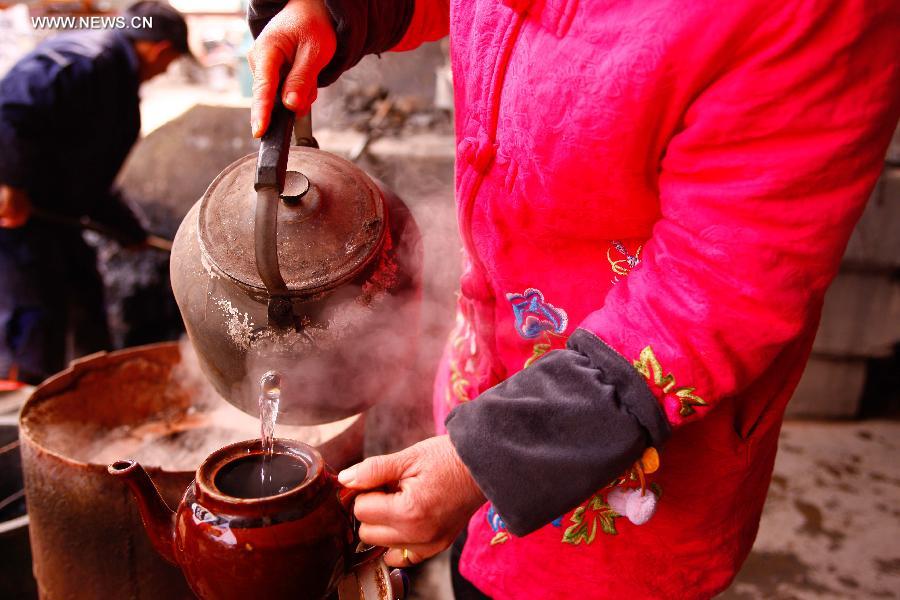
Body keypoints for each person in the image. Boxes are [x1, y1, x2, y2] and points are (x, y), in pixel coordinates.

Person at [247, 1, 900, 598]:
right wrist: (342, 10)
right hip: (484, 385)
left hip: (628, 481)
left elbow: (712, 299)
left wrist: (484, 460)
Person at [0, 1, 190, 384]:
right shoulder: (85, 61)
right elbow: (10, 111)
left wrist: (129, 230)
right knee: (33, 321)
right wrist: (10, 183)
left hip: (57, 217)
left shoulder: (115, 79)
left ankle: (96, 398)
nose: (163, 72)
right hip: (19, 217)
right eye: (168, 65)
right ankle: (23, 414)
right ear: (161, 49)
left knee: (85, 299)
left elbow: (89, 175)